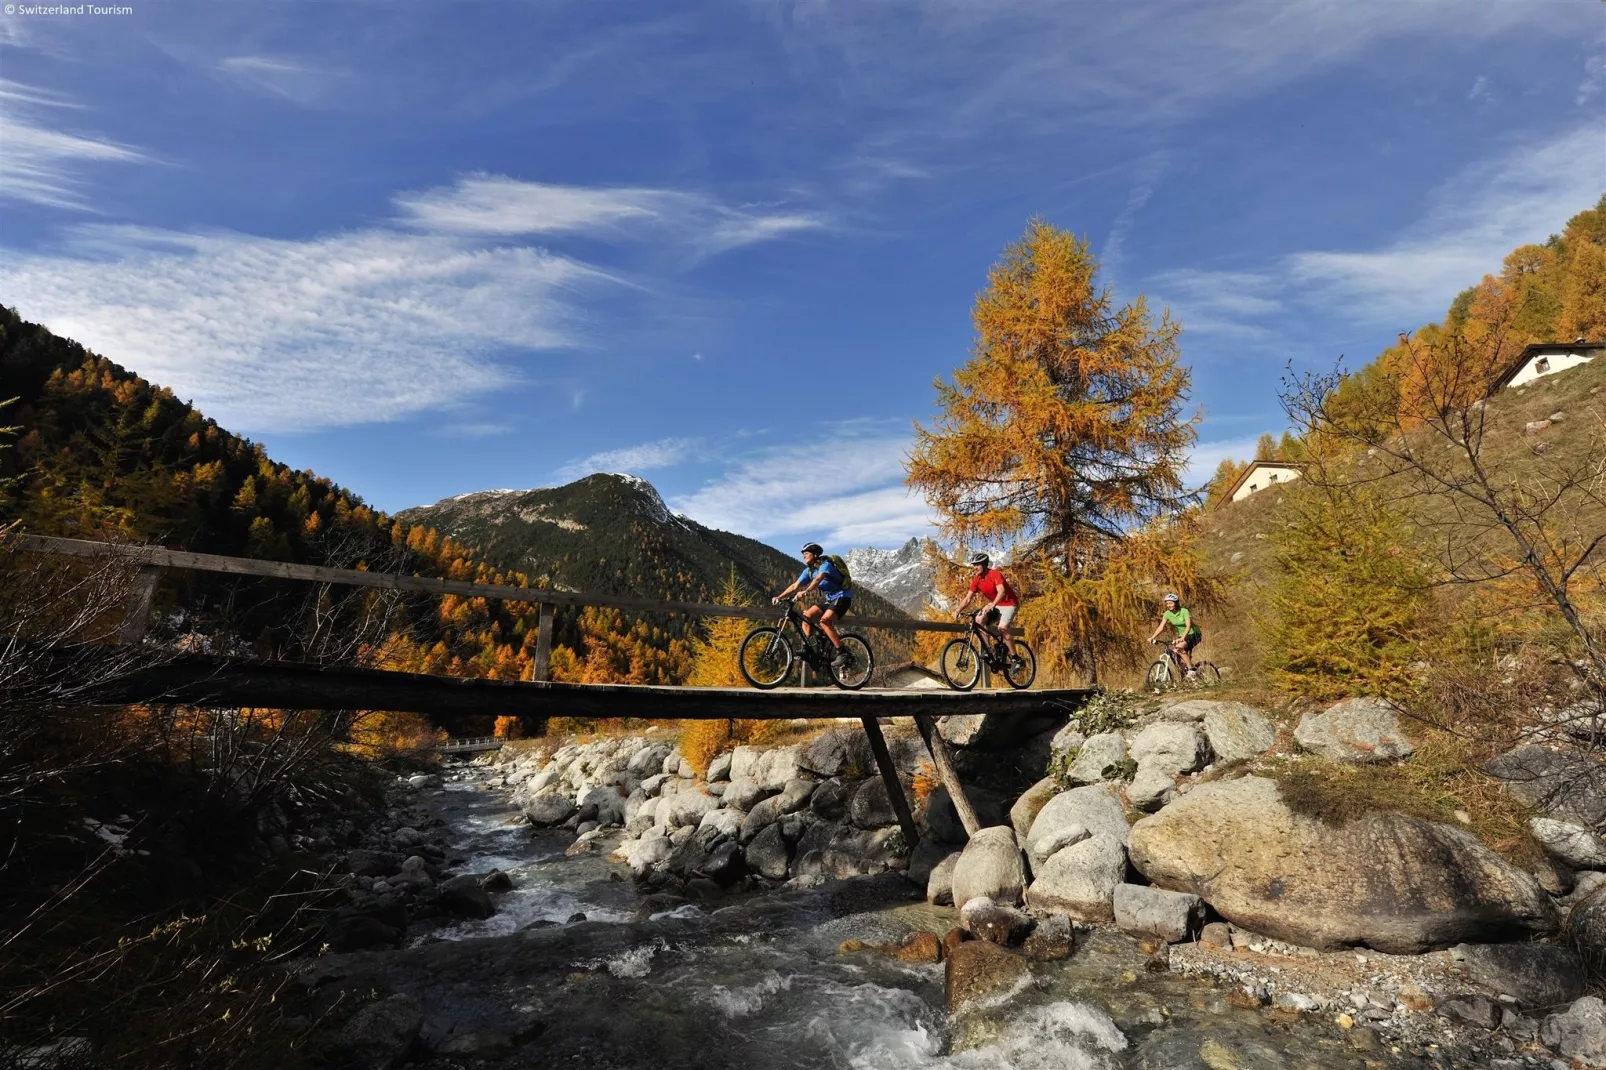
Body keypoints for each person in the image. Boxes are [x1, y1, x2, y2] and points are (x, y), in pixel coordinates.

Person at [772, 542, 853, 666]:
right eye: (803, 554)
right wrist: (779, 596)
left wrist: (805, 591)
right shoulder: (809, 571)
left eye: (806, 553)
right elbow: (795, 586)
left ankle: (843, 653)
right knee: (807, 616)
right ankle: (808, 648)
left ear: (815, 555)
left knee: (824, 621)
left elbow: (818, 579)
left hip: (843, 596)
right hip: (829, 597)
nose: (804, 556)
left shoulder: (825, 565)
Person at [953, 552, 1022, 669]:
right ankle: (988, 650)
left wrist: (992, 604)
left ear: (985, 564)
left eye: (978, 564)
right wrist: (958, 610)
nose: (975, 567)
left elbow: (1002, 592)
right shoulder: (977, 579)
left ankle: (1016, 658)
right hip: (997, 604)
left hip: (1010, 603)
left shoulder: (995, 574)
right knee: (979, 619)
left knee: (1002, 628)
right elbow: (968, 598)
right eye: (974, 565)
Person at [1148, 593, 1201, 676]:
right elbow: (1161, 627)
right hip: (1182, 636)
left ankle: (1191, 670)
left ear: (1176, 603)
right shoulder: (1167, 614)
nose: (1168, 605)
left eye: (1171, 603)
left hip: (1193, 634)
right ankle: (1183, 671)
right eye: (1167, 603)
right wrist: (1152, 637)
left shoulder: (1184, 611)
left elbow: (1188, 626)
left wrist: (1183, 637)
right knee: (1174, 652)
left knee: (1179, 648)